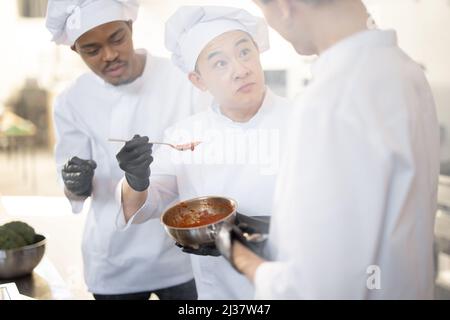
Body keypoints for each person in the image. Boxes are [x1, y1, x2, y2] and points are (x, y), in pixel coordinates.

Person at [223, 0, 440, 299]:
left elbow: (314, 290)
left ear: (285, 6)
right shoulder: (403, 68)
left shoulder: (329, 102)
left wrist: (239, 255)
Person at [115, 6, 292, 299]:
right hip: (219, 292)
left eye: (245, 52)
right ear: (199, 81)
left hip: (291, 285)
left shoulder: (304, 122)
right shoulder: (184, 136)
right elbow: (140, 208)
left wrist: (266, 229)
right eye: (220, 63)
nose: (240, 69)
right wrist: (136, 179)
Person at [46, 0, 208, 299]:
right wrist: (74, 183)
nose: (109, 55)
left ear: (131, 28)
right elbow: (70, 180)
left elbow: (208, 148)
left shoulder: (180, 78)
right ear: (75, 51)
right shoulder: (72, 100)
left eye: (117, 39)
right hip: (114, 258)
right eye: (92, 50)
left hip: (182, 251)